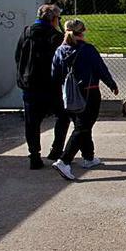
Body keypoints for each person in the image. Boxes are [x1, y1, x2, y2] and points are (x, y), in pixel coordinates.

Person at [50, 18, 118, 181]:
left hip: (68, 94)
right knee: (83, 127)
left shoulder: (60, 50)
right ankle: (64, 160)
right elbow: (101, 69)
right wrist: (111, 84)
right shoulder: (88, 50)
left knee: (82, 125)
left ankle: (88, 157)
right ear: (82, 32)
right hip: (89, 93)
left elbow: (55, 74)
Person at [15, 4, 70, 169]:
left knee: (32, 122)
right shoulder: (56, 37)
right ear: (54, 19)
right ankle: (57, 149)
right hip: (51, 86)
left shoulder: (26, 33)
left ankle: (34, 156)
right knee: (63, 115)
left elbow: (18, 56)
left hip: (29, 84)